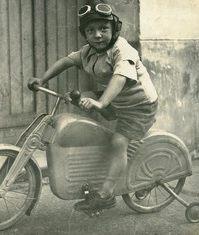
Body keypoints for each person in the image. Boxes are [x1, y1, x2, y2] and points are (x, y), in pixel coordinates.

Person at [28, 2, 158, 212]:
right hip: (116, 100)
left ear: (114, 29)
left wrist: (101, 103)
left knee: (118, 142)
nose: (97, 35)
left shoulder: (122, 50)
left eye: (103, 29)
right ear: (85, 34)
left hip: (139, 106)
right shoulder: (88, 51)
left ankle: (105, 196)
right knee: (80, 103)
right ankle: (95, 167)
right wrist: (42, 80)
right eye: (91, 30)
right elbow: (66, 61)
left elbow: (119, 77)